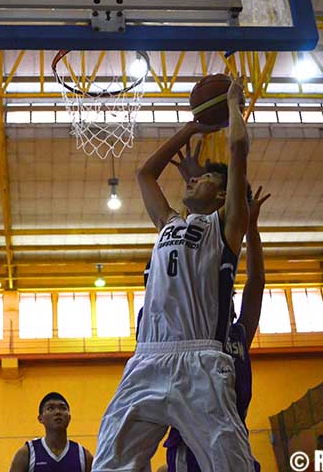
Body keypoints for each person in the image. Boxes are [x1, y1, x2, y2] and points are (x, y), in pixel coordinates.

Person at [92, 77, 255, 472]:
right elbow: (145, 174)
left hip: (199, 358)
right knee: (110, 464)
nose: (194, 178)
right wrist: (193, 126)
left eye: (207, 179)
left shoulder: (227, 226)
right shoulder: (168, 223)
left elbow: (237, 148)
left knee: (231, 465)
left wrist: (232, 105)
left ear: (222, 196)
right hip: (147, 358)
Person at [160, 179, 270, 472]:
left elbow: (256, 282)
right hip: (190, 443)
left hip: (233, 437)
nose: (225, 295)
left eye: (228, 292)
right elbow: (189, 257)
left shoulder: (237, 333)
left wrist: (252, 228)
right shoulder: (194, 329)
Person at [9, 392, 93, 472]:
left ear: (69, 418)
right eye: (50, 408)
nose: (58, 412)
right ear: (40, 418)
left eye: (63, 408)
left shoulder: (84, 456)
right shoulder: (26, 454)